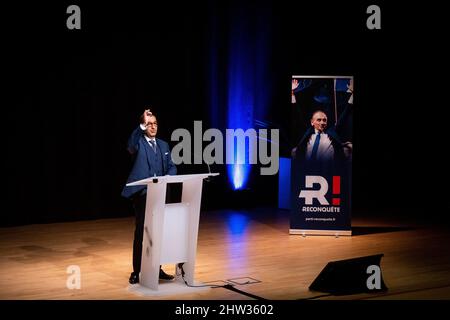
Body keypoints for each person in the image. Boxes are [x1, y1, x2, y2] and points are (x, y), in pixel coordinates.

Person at [121, 109, 177, 284]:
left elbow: (171, 166)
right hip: (143, 194)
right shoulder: (138, 143)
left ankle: (157, 268)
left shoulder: (164, 145)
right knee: (141, 233)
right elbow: (129, 145)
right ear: (144, 126)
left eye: (155, 123)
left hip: (160, 194)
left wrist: (170, 176)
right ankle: (137, 271)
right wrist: (140, 126)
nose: (153, 127)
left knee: (158, 233)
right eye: (149, 124)